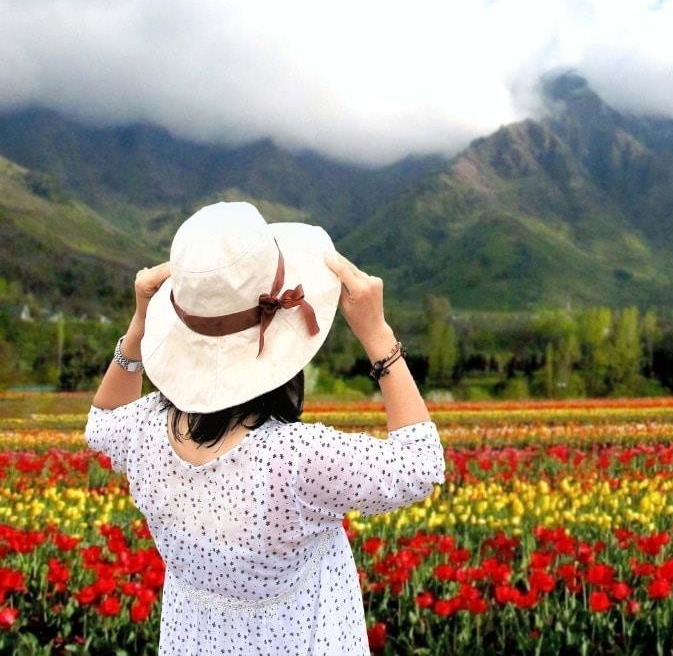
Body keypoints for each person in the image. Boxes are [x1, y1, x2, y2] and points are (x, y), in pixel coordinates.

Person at [85, 202, 446, 654]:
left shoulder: (145, 431)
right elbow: (420, 466)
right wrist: (377, 333)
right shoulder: (296, 458)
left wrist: (140, 323)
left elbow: (102, 423)